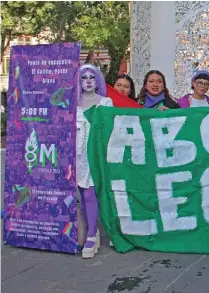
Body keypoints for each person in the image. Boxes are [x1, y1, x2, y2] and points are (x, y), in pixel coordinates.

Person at [76, 64, 113, 258]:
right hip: (77, 156)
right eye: (84, 77)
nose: (88, 81)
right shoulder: (72, 103)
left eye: (92, 77)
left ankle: (91, 233)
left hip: (96, 154)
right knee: (83, 193)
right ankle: (91, 228)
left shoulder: (105, 102)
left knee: (90, 193)